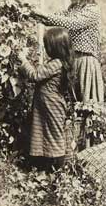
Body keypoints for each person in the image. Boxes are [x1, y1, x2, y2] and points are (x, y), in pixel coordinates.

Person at [32, 0, 104, 104]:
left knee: (86, 101)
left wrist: (44, 15)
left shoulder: (93, 10)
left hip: (85, 61)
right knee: (72, 100)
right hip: (72, 59)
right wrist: (33, 14)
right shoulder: (72, 9)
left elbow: (72, 23)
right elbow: (54, 18)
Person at [17, 27, 74, 172]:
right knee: (45, 134)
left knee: (53, 135)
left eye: (47, 46)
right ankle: (48, 167)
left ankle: (58, 167)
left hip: (51, 106)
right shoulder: (59, 62)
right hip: (48, 105)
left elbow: (36, 75)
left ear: (55, 48)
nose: (46, 49)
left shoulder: (56, 63)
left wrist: (23, 61)